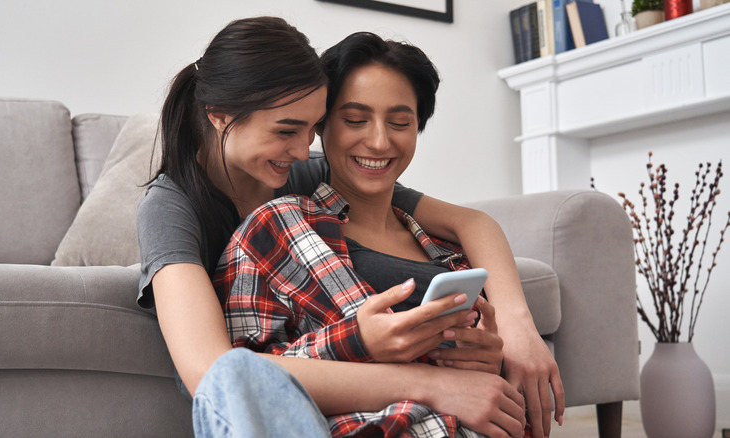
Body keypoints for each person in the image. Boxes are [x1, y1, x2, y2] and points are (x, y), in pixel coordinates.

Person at [137, 15, 562, 438]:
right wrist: (428, 382)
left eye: (312, 129)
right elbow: (216, 372)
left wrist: (515, 326)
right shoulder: (172, 207)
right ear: (218, 116)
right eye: (287, 130)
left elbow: (470, 221)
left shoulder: (307, 171)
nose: (304, 151)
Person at [215, 32, 517, 437]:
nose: (378, 141)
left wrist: (487, 355)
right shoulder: (276, 229)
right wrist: (356, 341)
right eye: (355, 120)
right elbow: (240, 384)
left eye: (400, 123)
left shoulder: (451, 251)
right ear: (319, 128)